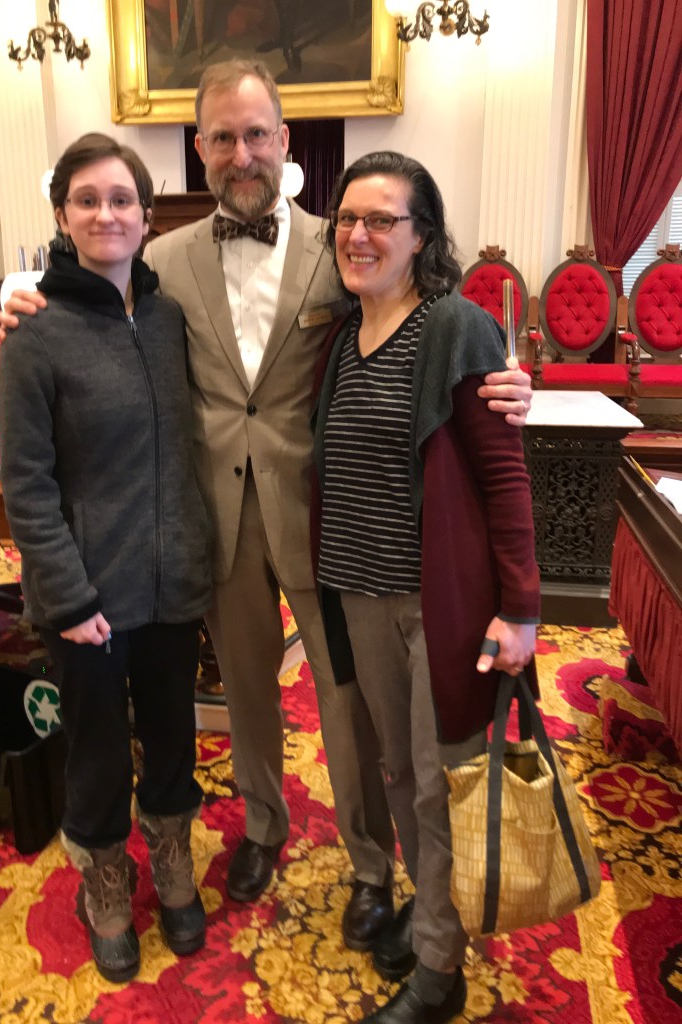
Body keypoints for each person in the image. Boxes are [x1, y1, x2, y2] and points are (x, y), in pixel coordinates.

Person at [0, 59, 534, 954]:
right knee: (245, 693)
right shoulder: (163, 260)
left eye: (256, 135)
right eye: (222, 137)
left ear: (284, 141)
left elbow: (427, 313)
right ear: (199, 148)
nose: (241, 153)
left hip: (327, 516)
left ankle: (369, 863)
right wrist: (21, 295)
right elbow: (93, 292)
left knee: (346, 701)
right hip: (209, 520)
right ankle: (261, 825)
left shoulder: (346, 241)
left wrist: (508, 377)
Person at [312, 151, 540, 1023]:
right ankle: (432, 907)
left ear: (421, 236)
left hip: (436, 605)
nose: (359, 235)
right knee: (402, 775)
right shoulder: (341, 338)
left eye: (382, 220)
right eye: (348, 219)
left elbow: (504, 476)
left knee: (443, 780)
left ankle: (440, 972)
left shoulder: (456, 327)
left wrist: (520, 608)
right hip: (358, 596)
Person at [0, 134, 212, 983]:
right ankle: (107, 883)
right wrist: (68, 595)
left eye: (121, 199)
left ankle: (173, 856)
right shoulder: (35, 332)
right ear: (62, 215)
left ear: (147, 216)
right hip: (84, 594)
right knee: (95, 753)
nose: (105, 214)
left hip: (173, 581)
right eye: (86, 200)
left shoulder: (168, 319)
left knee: (172, 737)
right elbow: (28, 484)